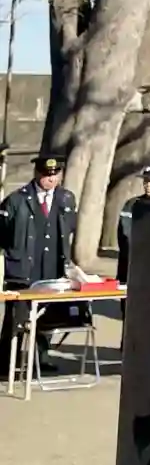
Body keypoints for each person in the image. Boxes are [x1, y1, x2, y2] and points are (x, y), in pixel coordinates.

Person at [0, 153, 79, 373]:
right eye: (46, 175)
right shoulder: (17, 200)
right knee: (16, 318)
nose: (50, 179)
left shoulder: (66, 199)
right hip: (24, 269)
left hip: (52, 266)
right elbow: (3, 232)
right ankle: (6, 361)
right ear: (36, 173)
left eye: (55, 175)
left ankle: (40, 358)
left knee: (46, 316)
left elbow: (70, 227)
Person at [116, 159, 150, 284]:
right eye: (146, 181)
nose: (148, 185)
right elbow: (125, 235)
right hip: (134, 269)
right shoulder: (132, 205)